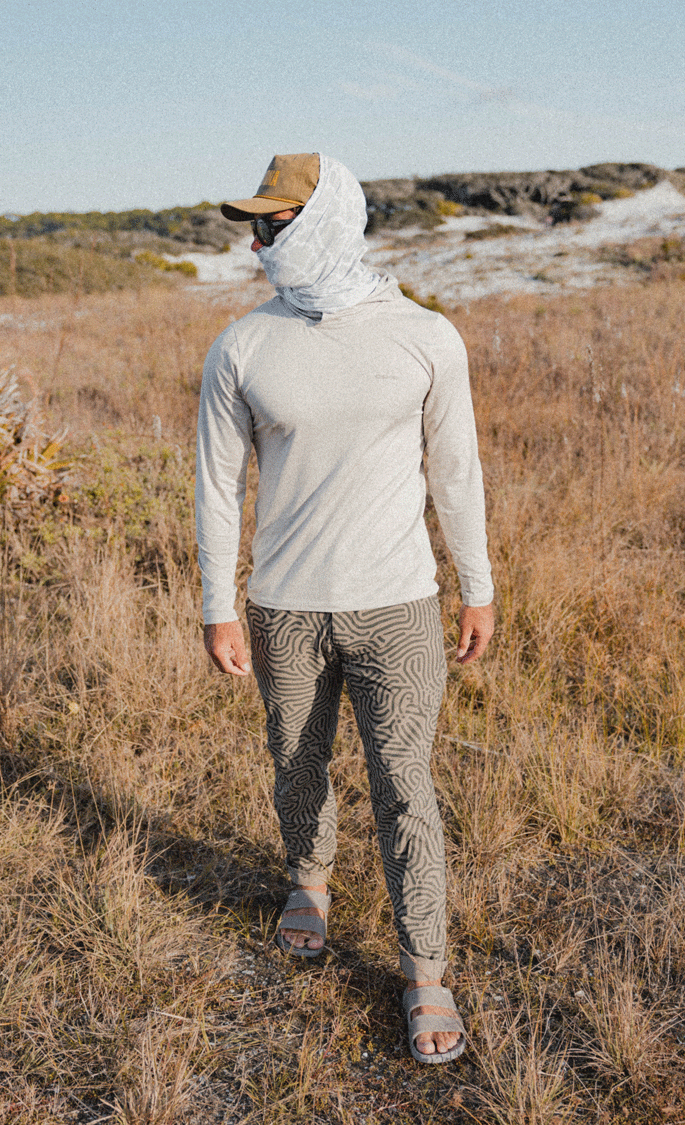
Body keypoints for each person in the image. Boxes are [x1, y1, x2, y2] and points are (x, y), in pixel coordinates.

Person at [196, 152, 494, 1063]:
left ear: (326, 217)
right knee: (296, 762)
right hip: (284, 607)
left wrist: (477, 583)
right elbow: (216, 487)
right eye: (252, 224)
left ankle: (425, 972)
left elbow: (456, 472)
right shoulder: (242, 345)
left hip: (398, 606)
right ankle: (310, 880)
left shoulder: (425, 335)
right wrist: (217, 605)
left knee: (407, 786)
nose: (257, 240)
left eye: (273, 223)